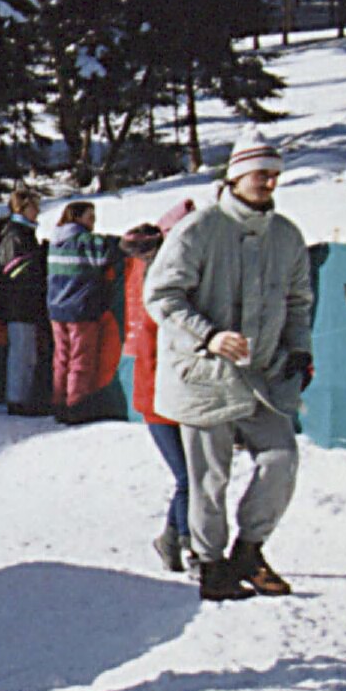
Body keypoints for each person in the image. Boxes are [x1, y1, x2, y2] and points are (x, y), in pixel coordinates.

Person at [143, 134, 313, 603]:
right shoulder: (198, 229)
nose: (271, 181)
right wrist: (209, 335)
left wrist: (298, 349)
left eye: (276, 173)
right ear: (236, 175)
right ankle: (211, 565)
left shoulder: (286, 235)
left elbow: (299, 301)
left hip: (264, 377)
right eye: (263, 173)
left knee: (281, 459)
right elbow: (161, 296)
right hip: (204, 376)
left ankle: (249, 551)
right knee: (208, 479)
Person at [122, 201, 196, 572]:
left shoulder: (153, 278)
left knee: (192, 476)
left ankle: (171, 538)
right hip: (159, 398)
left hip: (175, 395)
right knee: (189, 477)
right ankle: (187, 543)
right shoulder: (157, 290)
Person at [44, 201, 125, 423]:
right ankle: (76, 406)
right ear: (77, 218)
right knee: (80, 360)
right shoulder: (84, 240)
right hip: (80, 309)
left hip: (56, 308)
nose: (93, 221)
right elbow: (106, 253)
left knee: (61, 358)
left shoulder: (55, 241)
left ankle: (58, 403)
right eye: (90, 217)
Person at [0, 188, 49, 416]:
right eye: (34, 206)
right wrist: (39, 258)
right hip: (19, 302)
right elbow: (16, 270)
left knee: (27, 353)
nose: (38, 211)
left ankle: (22, 397)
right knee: (21, 352)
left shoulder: (22, 233)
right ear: (22, 208)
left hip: (24, 301)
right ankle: (17, 399)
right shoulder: (16, 234)